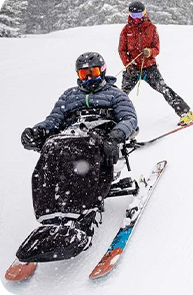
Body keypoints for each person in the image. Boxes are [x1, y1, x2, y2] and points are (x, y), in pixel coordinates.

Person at [17, 52, 138, 263]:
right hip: (70, 134)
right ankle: (50, 215)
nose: (89, 78)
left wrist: (116, 137)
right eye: (84, 74)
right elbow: (53, 120)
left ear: (103, 71)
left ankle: (82, 213)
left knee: (84, 148)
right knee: (51, 146)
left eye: (93, 73)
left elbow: (129, 119)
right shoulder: (69, 96)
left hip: (100, 135)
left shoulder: (115, 95)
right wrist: (37, 132)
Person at [118, 1, 193, 126]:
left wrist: (149, 52)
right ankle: (115, 122)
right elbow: (122, 50)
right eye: (134, 16)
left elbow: (157, 48)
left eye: (139, 15)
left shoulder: (152, 28)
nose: (137, 18)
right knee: (121, 96)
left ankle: (186, 113)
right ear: (130, 15)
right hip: (132, 69)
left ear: (144, 13)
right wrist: (128, 64)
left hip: (149, 67)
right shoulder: (126, 30)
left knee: (164, 89)